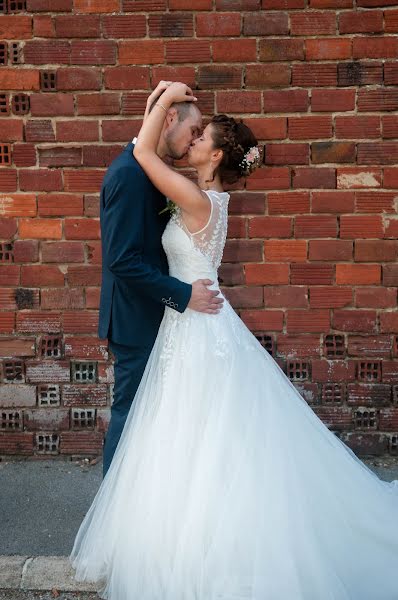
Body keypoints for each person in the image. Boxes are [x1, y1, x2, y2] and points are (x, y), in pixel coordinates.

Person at [71, 82, 398, 600]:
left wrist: (163, 98)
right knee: (172, 427)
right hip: (178, 318)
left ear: (217, 154)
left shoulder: (195, 197)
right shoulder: (190, 192)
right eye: (192, 129)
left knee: (184, 430)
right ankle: (151, 527)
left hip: (191, 322)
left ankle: (174, 536)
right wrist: (164, 104)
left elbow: (141, 151)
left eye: (201, 135)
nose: (192, 140)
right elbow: (130, 225)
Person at [98, 81, 223, 477]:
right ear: (169, 118)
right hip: (136, 321)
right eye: (192, 131)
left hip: (160, 319)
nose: (192, 143)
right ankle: (110, 515)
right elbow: (122, 260)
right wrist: (183, 295)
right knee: (131, 417)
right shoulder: (129, 175)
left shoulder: (148, 168)